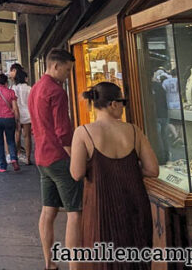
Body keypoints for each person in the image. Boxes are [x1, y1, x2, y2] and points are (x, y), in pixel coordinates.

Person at [69, 82, 157, 270]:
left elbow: (77, 174)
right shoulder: (134, 131)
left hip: (100, 206)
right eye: (123, 102)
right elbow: (152, 170)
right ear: (113, 104)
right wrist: (127, 169)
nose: (123, 107)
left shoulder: (83, 132)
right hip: (135, 204)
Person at [29, 49, 82, 270]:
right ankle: (75, 266)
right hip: (59, 157)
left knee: (48, 210)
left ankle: (49, 262)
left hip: (42, 157)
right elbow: (63, 132)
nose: (69, 75)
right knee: (75, 213)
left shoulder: (35, 88)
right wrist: (77, 158)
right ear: (56, 66)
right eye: (68, 70)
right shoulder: (57, 92)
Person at [12, 68, 33, 165]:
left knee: (17, 134)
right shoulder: (29, 88)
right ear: (25, 78)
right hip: (27, 114)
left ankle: (17, 154)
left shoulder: (13, 88)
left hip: (17, 113)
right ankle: (28, 158)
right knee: (27, 136)